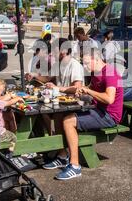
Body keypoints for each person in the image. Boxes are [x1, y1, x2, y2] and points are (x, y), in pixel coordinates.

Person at [43, 49, 123, 180]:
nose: (84, 66)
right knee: (59, 114)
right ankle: (62, 156)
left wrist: (89, 91)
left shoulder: (110, 73)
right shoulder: (96, 72)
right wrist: (58, 88)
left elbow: (109, 99)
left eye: (86, 63)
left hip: (109, 116)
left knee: (68, 121)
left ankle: (75, 166)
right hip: (97, 110)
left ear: (96, 59)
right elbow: (85, 90)